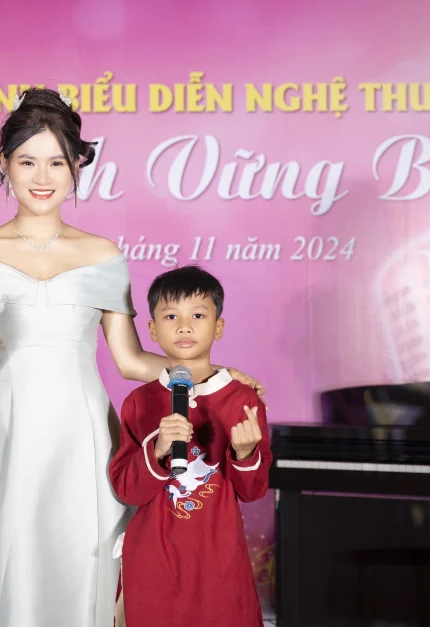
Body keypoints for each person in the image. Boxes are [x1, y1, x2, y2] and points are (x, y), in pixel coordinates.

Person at [0, 87, 264, 627]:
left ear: (77, 167)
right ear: (4, 164)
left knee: (81, 561)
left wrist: (212, 377)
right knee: (5, 562)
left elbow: (130, 360)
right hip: (8, 430)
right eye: (27, 161)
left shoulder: (103, 255)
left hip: (84, 432)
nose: (42, 176)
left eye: (57, 162)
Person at [108, 265, 272, 627]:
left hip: (217, 555)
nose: (184, 326)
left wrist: (245, 454)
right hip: (153, 556)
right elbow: (127, 489)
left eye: (198, 315)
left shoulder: (243, 400)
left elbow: (253, 491)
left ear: (219, 327)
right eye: (171, 316)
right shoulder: (139, 402)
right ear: (152, 330)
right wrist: (158, 450)